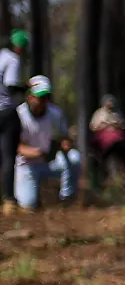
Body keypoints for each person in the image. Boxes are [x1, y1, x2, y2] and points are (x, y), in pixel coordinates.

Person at [15, 77, 79, 210]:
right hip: (26, 165)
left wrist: (65, 144)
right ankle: (35, 197)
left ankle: (67, 198)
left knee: (74, 158)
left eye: (46, 97)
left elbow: (64, 137)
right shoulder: (19, 115)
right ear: (29, 96)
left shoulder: (56, 113)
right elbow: (17, 147)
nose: (43, 101)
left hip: (49, 163)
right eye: (39, 97)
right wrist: (39, 152)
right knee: (27, 206)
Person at [0, 30, 26, 209]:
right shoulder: (13, 59)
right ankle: (9, 199)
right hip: (6, 112)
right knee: (9, 157)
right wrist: (26, 86)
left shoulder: (1, 55)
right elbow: (11, 86)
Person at [89, 95, 125, 184]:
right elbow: (93, 127)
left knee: (124, 160)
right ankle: (102, 180)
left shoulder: (117, 114)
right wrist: (104, 126)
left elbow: (122, 125)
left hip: (117, 142)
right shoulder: (99, 114)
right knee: (100, 161)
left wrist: (114, 125)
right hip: (102, 143)